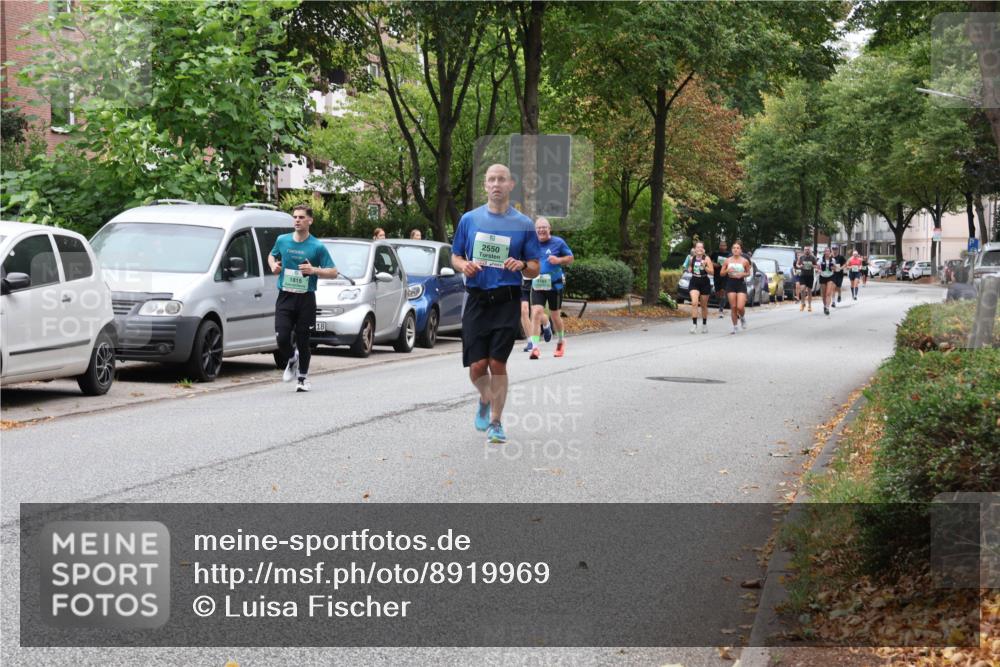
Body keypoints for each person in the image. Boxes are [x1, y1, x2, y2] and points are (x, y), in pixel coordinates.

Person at [452, 164, 540, 444]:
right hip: (477, 299)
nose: (496, 184)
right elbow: (455, 257)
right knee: (477, 367)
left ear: (511, 184)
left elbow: (535, 267)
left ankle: (496, 423)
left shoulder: (524, 224)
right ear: (485, 185)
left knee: (496, 363)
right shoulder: (469, 219)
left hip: (506, 299)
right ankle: (484, 398)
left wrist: (522, 264)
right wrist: (464, 266)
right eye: (491, 179)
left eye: (501, 179)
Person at [269, 205, 338, 392]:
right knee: (281, 337)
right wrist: (273, 265)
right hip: (285, 295)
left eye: (301, 217)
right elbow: (271, 255)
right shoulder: (282, 240)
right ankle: (292, 359)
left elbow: (333, 272)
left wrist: (314, 270)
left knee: (303, 339)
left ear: (310, 221)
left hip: (306, 298)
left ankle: (303, 378)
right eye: (295, 217)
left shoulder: (317, 246)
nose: (297, 220)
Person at [528, 217, 574, 358]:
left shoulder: (558, 242)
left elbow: (570, 258)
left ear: (549, 229)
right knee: (536, 312)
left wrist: (558, 260)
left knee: (555, 316)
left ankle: (560, 341)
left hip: (555, 285)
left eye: (544, 227)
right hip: (537, 283)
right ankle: (535, 348)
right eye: (538, 228)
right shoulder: (531, 244)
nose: (541, 230)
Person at [682, 241, 714, 333]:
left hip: (704, 282)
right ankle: (694, 325)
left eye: (701, 247)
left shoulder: (706, 258)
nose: (699, 249)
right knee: (694, 303)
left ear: (703, 249)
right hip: (694, 281)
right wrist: (689, 269)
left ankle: (704, 324)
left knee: (703, 305)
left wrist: (705, 267)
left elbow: (712, 272)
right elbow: (690, 269)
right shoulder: (692, 258)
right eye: (697, 247)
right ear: (695, 249)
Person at [720, 241, 751, 334]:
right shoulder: (727, 260)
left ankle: (742, 317)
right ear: (732, 250)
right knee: (733, 307)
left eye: (738, 248)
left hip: (740, 283)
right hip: (730, 283)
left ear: (741, 250)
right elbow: (721, 273)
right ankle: (735, 327)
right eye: (734, 248)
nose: (736, 249)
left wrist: (742, 274)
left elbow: (748, 273)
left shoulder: (745, 261)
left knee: (740, 307)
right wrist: (727, 270)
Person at [795, 245, 817, 312]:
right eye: (805, 249)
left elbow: (816, 265)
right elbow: (797, 264)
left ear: (810, 250)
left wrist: (812, 265)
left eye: (808, 249)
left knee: (809, 291)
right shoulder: (801, 257)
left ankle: (809, 305)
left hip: (810, 276)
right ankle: (802, 303)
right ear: (804, 250)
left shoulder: (813, 257)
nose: (807, 251)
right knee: (802, 289)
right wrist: (800, 266)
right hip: (803, 275)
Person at [713, 240, 731, 318]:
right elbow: (709, 261)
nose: (722, 247)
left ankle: (721, 310)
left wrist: (727, 266)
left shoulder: (729, 255)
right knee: (717, 293)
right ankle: (720, 303)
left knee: (723, 291)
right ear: (719, 246)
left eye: (724, 245)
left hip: (725, 276)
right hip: (716, 275)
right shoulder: (715, 254)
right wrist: (714, 264)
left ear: (726, 246)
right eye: (721, 245)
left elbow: (732, 263)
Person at [818, 246, 837, 316]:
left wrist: (833, 268)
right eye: (826, 251)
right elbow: (817, 268)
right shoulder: (820, 259)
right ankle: (825, 305)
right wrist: (819, 270)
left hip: (830, 277)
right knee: (823, 294)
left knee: (828, 293)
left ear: (830, 252)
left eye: (828, 251)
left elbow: (835, 268)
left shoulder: (833, 260)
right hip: (823, 277)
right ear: (824, 252)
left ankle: (827, 308)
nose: (827, 252)